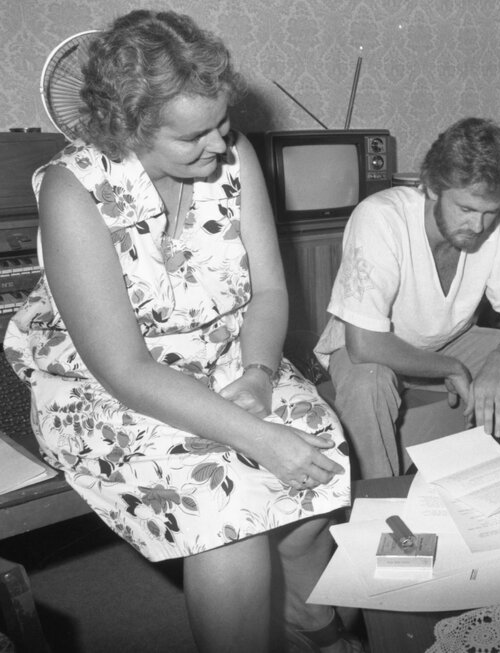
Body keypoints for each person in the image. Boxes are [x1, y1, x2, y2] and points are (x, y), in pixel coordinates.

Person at [3, 11, 358, 653]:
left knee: (323, 470)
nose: (221, 147)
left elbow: (270, 291)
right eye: (195, 136)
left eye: (223, 124)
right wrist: (256, 435)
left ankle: (305, 616)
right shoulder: (72, 189)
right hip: (105, 383)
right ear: (128, 130)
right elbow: (125, 370)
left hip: (228, 352)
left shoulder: (232, 151)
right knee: (230, 511)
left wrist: (256, 376)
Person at [314, 117, 500, 479]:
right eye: (466, 209)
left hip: (448, 340)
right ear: (432, 187)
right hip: (375, 349)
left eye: (490, 212)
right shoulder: (381, 218)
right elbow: (364, 345)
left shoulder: (498, 224)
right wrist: (451, 369)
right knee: (367, 381)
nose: (479, 226)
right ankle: (383, 508)